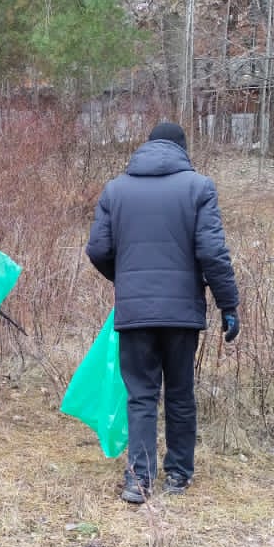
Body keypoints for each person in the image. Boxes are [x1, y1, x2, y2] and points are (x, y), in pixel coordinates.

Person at [84, 121, 239, 502]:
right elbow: (212, 253)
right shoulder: (199, 187)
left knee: (141, 395)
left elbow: (98, 249)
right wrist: (228, 303)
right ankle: (178, 474)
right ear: (182, 149)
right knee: (180, 393)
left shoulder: (115, 189)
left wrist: (126, 281)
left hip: (135, 310)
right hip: (182, 312)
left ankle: (139, 481)